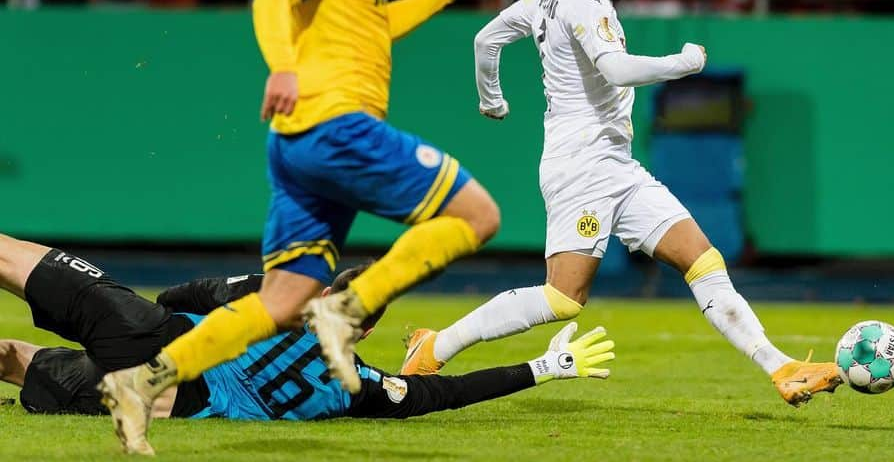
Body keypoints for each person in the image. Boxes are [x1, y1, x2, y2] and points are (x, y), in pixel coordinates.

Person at [99, 0, 505, 455]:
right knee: (478, 214)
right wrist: (283, 67)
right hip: (335, 128)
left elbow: (379, 26)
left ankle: (142, 384)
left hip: (297, 149)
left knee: (281, 301)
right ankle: (345, 311)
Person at [400, 0, 842, 407]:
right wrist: (685, 62)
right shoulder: (587, 3)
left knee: (702, 258)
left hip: (615, 165)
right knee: (563, 298)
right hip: (582, 169)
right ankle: (436, 345)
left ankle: (780, 367)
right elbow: (615, 69)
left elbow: (487, 38)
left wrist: (491, 98)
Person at [0, 234, 614, 421]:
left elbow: (192, 292)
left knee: (14, 262)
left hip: (154, 336)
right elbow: (443, 393)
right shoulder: (359, 385)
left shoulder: (278, 299)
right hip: (162, 402)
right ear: (367, 331)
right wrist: (541, 368)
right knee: (16, 360)